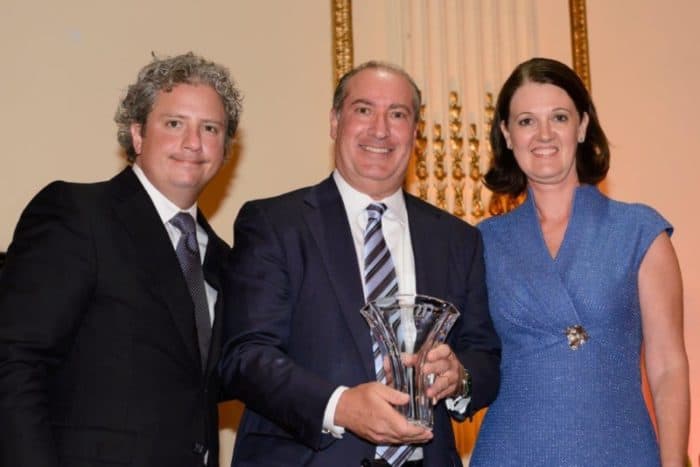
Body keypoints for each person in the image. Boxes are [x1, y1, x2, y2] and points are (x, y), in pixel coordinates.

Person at [218, 61, 501, 467]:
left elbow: (485, 356)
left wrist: (460, 376)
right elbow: (245, 357)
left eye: (398, 114)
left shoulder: (459, 240)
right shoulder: (275, 224)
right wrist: (341, 406)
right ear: (335, 122)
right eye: (363, 110)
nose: (380, 129)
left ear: (415, 132)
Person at [0, 52, 242, 467]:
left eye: (210, 128)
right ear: (137, 135)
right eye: (174, 124)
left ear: (224, 149)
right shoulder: (78, 213)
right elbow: (14, 361)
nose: (193, 142)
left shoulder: (225, 261)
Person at [470, 57, 689, 466]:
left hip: (619, 450)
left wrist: (674, 461)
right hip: (512, 452)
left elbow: (667, 365)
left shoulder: (640, 231)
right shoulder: (482, 243)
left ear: (583, 126)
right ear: (506, 133)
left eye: (559, 117)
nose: (544, 135)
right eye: (526, 121)